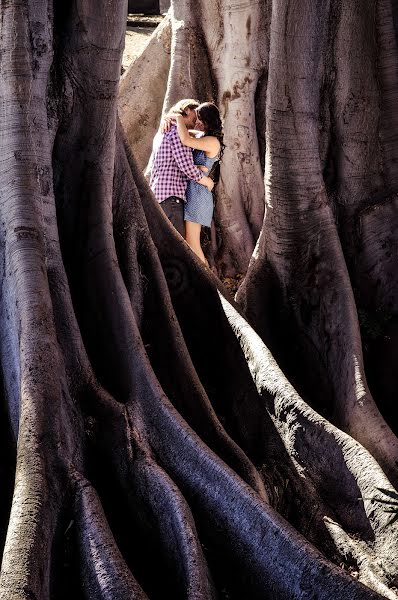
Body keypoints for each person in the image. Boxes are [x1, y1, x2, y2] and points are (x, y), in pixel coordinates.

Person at [149, 99, 214, 237]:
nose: (197, 121)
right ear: (187, 110)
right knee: (178, 251)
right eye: (195, 115)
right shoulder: (178, 132)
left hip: (159, 196)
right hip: (171, 198)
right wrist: (206, 181)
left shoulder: (163, 131)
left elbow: (171, 163)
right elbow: (186, 167)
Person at [171, 102, 223, 264]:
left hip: (199, 196)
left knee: (193, 244)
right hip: (193, 191)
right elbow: (188, 133)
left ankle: (210, 285)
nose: (197, 122)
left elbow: (185, 139)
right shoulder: (203, 137)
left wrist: (178, 117)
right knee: (189, 243)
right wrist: (169, 120)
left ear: (208, 121)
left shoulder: (212, 141)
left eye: (200, 119)